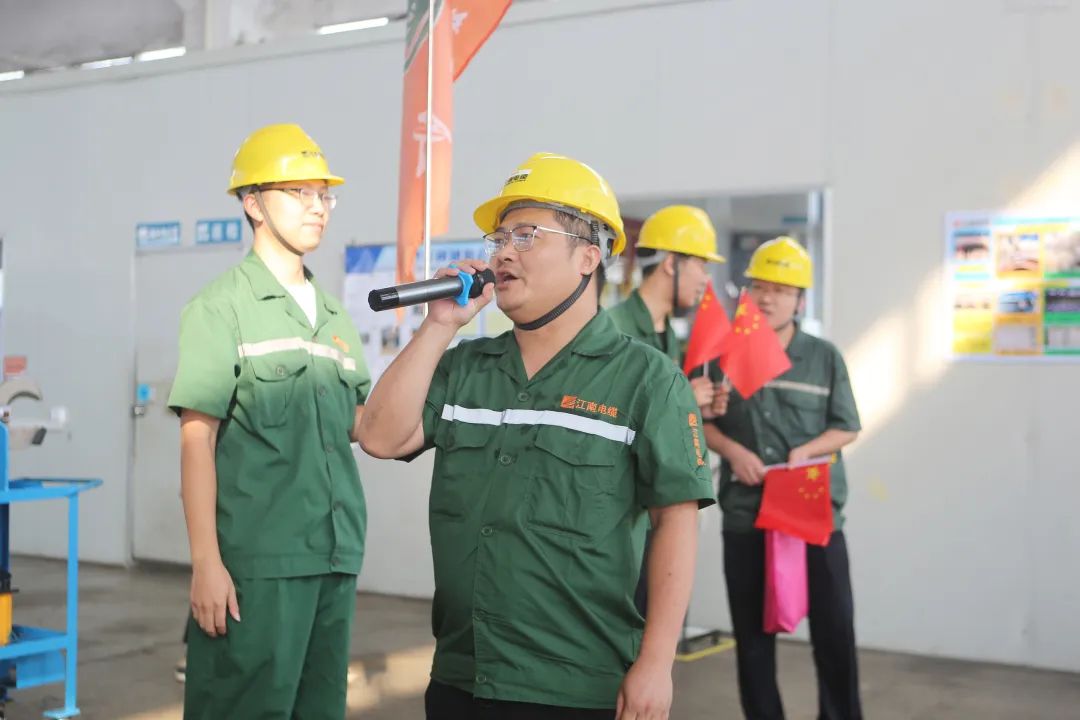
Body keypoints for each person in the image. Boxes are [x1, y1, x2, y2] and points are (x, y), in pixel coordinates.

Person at [358, 152, 715, 719]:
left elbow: (677, 519)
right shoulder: (465, 367)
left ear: (588, 256)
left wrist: (655, 662)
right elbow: (379, 437)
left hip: (575, 687)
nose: (502, 253)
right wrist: (439, 326)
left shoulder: (647, 380)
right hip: (461, 676)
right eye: (499, 238)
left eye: (526, 236)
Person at [168, 123, 370, 719]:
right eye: (300, 192)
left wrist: (438, 333)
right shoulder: (220, 308)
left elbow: (364, 423)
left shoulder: (333, 317)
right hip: (257, 569)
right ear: (253, 203)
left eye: (324, 195)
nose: (318, 207)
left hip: (334, 559)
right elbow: (197, 440)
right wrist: (206, 563)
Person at [703, 236, 863, 720]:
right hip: (747, 515)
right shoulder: (721, 354)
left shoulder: (824, 356)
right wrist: (733, 452)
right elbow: (699, 420)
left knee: (835, 634)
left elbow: (847, 426)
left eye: (781, 290)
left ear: (800, 300)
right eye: (759, 287)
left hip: (813, 515)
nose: (767, 298)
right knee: (753, 640)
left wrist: (807, 451)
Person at [607, 204, 727, 615]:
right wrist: (682, 399)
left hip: (656, 516)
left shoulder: (668, 336)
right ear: (672, 263)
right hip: (620, 522)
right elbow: (609, 416)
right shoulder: (614, 330)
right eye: (701, 266)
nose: (705, 280)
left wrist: (696, 407)